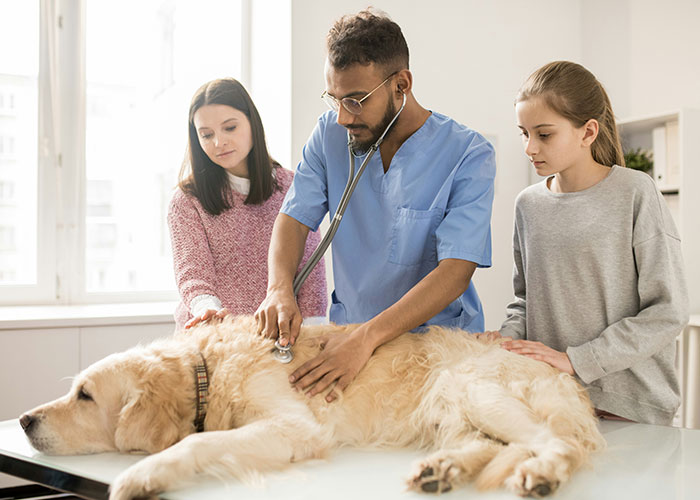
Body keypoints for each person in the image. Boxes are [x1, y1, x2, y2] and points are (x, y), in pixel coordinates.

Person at [255, 10, 496, 401]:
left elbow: (455, 272)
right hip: (349, 341)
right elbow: (295, 219)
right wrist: (279, 288)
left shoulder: (468, 153)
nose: (342, 116)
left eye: (355, 100)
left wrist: (367, 338)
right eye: (334, 99)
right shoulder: (329, 136)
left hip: (437, 348)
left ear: (401, 84)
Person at [497, 61, 688, 425]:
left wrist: (577, 360)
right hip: (550, 399)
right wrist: (506, 343)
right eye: (524, 133)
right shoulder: (528, 205)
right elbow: (525, 301)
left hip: (629, 404)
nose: (529, 147)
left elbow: (667, 310)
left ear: (587, 132)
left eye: (544, 134)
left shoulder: (635, 192)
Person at [168, 78, 327, 331]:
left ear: (252, 123)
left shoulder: (293, 187)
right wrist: (205, 307)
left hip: (280, 338)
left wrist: (315, 327)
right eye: (206, 135)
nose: (219, 142)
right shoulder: (187, 200)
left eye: (229, 128)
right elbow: (193, 273)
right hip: (213, 338)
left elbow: (310, 268)